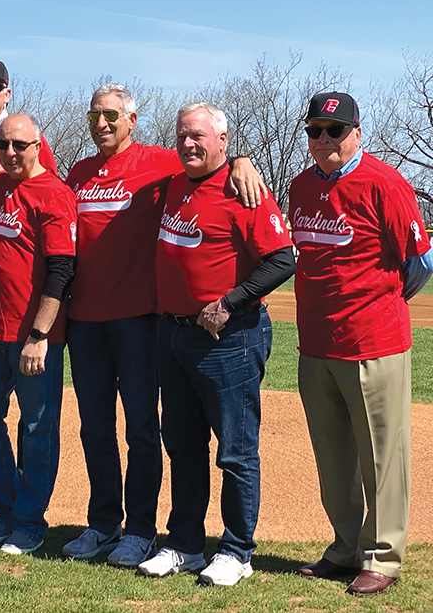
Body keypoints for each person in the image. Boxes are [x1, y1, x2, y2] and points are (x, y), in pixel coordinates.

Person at [63, 84, 267, 567]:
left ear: (132, 119)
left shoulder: (162, 162)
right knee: (94, 428)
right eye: (95, 114)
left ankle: (140, 531)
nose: (102, 123)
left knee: (142, 431)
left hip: (139, 320)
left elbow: (207, 156)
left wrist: (241, 158)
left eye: (112, 114)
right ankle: (103, 523)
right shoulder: (78, 173)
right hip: (84, 319)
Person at [138, 103, 294, 586]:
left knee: (235, 450)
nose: (188, 143)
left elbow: (283, 259)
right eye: (182, 134)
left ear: (222, 140)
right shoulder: (173, 184)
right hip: (175, 334)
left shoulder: (242, 190)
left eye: (198, 136)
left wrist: (229, 301)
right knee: (182, 445)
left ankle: (236, 551)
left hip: (230, 336)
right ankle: (183, 543)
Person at [289, 92, 433, 595]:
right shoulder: (300, 186)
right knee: (334, 458)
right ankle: (346, 547)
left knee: (381, 459)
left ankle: (384, 557)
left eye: (335, 130)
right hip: (316, 343)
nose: (324, 139)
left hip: (374, 343)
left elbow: (419, 263)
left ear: (356, 131)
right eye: (314, 130)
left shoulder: (384, 183)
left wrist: (379, 299)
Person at [0, 115, 76, 556]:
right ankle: (7, 511)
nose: (10, 153)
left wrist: (40, 334)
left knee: (36, 427)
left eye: (19, 145)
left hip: (32, 335)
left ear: (39, 145)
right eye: (3, 145)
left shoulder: (54, 194)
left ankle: (30, 522)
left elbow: (62, 270)